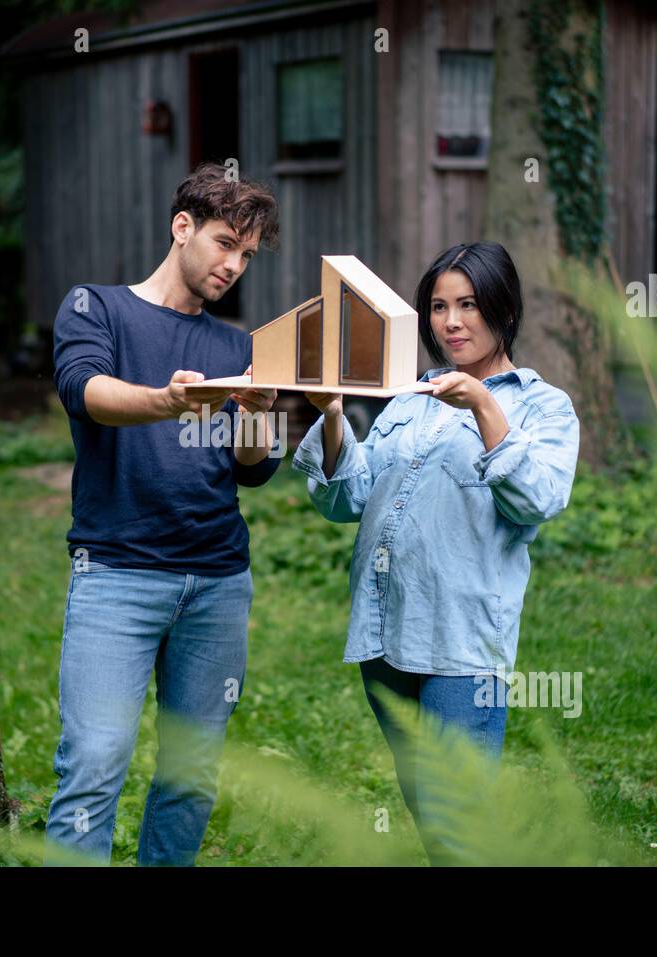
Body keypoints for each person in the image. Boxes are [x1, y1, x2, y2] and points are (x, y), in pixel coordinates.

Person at [291, 241, 580, 863]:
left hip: (460, 647)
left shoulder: (541, 405)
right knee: (433, 819)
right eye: (439, 306)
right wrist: (335, 418)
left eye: (469, 305)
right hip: (386, 640)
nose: (450, 322)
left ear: (503, 309)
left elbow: (537, 500)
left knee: (461, 830)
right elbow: (347, 500)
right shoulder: (409, 398)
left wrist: (482, 404)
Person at [45, 163, 281, 866]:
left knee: (191, 774)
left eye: (246, 254)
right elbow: (85, 390)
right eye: (223, 243)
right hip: (116, 573)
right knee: (93, 761)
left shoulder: (237, 347)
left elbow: (256, 469)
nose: (233, 265)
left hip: (216, 581)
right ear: (182, 228)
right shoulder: (97, 307)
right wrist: (169, 400)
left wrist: (258, 420)